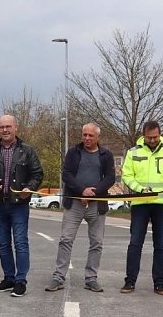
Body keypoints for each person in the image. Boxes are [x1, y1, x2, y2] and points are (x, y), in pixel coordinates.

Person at [0, 115, 44, 297]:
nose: (5, 130)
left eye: (8, 127)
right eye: (1, 127)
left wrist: (29, 188)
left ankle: (21, 281)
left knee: (21, 243)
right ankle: (9, 278)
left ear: (16, 128)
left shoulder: (27, 151)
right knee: (3, 244)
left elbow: (37, 173)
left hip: (19, 205)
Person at [45, 123, 115, 293]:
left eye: (91, 136)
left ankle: (91, 278)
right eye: (84, 135)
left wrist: (95, 191)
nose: (87, 138)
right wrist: (82, 190)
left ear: (98, 137)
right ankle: (58, 277)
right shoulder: (73, 153)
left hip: (96, 204)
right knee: (66, 240)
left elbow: (111, 177)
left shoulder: (106, 155)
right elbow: (66, 175)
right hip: (74, 203)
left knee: (97, 242)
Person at [120, 120, 163, 295]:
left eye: (155, 137)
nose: (152, 140)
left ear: (160, 134)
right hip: (140, 203)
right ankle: (129, 282)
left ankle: (159, 283)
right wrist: (140, 189)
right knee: (135, 243)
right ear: (143, 135)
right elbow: (126, 175)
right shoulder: (133, 152)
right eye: (149, 137)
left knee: (161, 245)